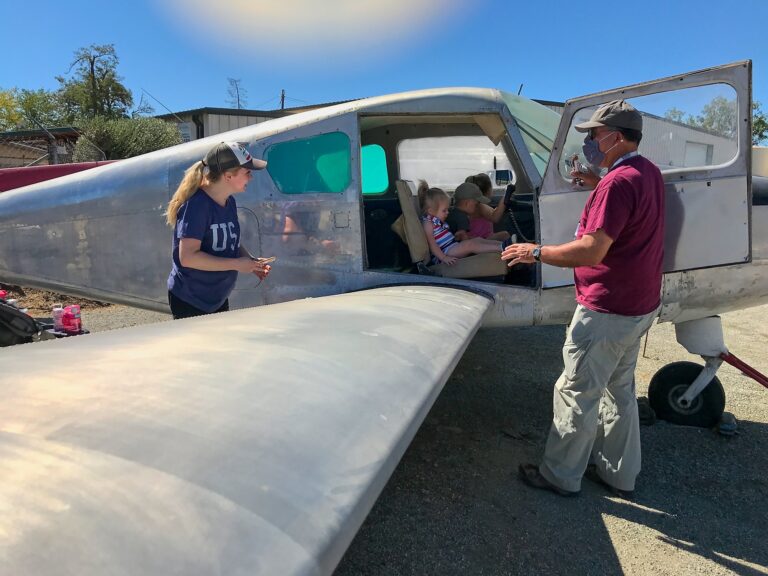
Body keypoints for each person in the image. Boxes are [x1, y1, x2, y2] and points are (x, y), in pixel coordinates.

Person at [502, 100, 665, 498]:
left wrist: (534, 251)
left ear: (618, 137)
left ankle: (560, 475)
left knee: (576, 391)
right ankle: (619, 475)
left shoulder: (617, 184)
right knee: (619, 392)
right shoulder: (646, 173)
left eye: (594, 135)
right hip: (639, 306)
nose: (591, 141)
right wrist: (596, 184)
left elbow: (591, 251)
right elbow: (630, 214)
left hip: (606, 310)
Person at [165, 141, 271, 319]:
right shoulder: (197, 206)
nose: (251, 177)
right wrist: (237, 264)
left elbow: (230, 241)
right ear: (228, 176)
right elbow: (188, 258)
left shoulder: (229, 202)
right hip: (191, 299)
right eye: (247, 172)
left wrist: (250, 262)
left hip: (217, 297)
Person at [419, 181, 505, 266]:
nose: (447, 213)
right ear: (431, 211)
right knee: (471, 244)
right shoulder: (428, 224)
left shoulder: (436, 221)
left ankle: (504, 245)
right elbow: (432, 245)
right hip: (445, 253)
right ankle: (502, 248)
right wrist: (444, 258)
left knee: (477, 240)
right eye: (444, 210)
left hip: (451, 247)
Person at [446, 175, 510, 242]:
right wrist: (506, 197)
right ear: (488, 190)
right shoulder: (479, 207)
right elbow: (495, 217)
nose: (476, 204)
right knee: (505, 235)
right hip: (482, 239)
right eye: (476, 203)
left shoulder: (458, 211)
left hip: (477, 239)